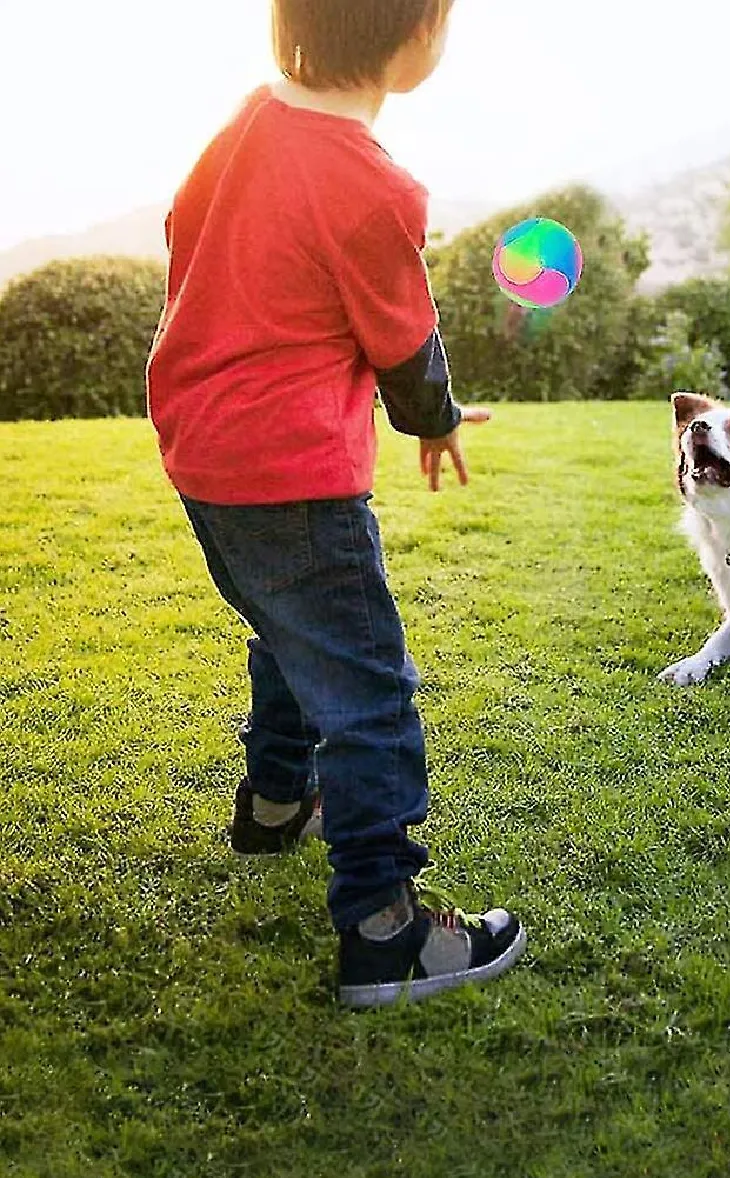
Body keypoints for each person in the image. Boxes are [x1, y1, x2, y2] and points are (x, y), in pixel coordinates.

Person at [146, 0, 525, 1007]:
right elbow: (403, 335)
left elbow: (186, 238)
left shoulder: (245, 123)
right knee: (369, 693)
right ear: (415, 34)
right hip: (293, 472)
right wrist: (435, 420)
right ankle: (384, 929)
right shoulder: (372, 184)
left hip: (204, 457)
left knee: (287, 634)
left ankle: (276, 803)